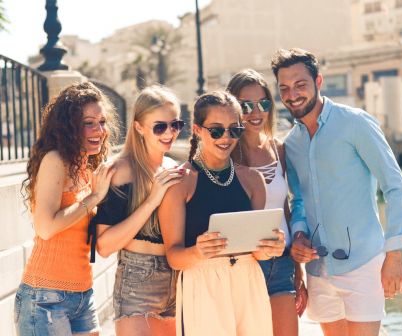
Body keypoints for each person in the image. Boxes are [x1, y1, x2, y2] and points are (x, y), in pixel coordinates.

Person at [271, 48, 402, 336]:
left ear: (318, 82)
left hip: (363, 262)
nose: (292, 94)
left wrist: (394, 254)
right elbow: (298, 201)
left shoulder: (355, 123)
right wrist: (298, 233)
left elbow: (395, 186)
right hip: (319, 271)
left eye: (300, 85)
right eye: (284, 88)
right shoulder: (292, 143)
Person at [158, 91, 286, 336]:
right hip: (202, 282)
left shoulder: (253, 180)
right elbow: (174, 257)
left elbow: (257, 252)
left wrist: (271, 247)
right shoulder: (180, 182)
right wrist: (197, 251)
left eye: (234, 130)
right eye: (216, 130)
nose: (226, 138)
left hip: (249, 280)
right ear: (197, 129)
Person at [15, 82, 118, 336]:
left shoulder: (86, 166)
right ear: (69, 126)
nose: (99, 130)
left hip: (83, 294)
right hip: (45, 298)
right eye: (89, 123)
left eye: (102, 122)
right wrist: (94, 198)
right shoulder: (55, 160)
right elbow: (46, 228)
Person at [90, 85, 185, 336]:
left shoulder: (173, 166)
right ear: (139, 127)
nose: (169, 133)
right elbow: (105, 246)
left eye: (175, 125)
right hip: (138, 281)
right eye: (160, 126)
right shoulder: (120, 170)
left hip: (178, 278)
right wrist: (152, 200)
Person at [226, 69, 307, 336]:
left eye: (262, 103)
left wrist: (298, 270)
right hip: (245, 266)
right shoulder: (225, 156)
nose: (255, 112)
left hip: (281, 262)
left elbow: (284, 209)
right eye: (246, 105)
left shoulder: (278, 149)